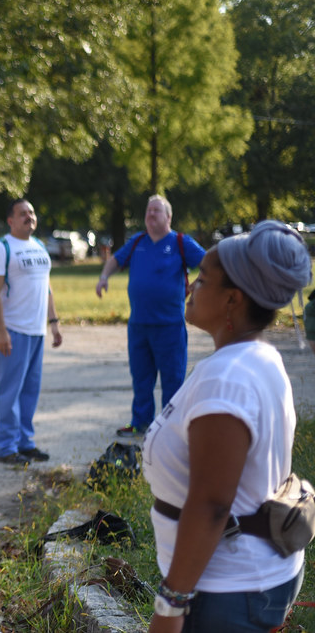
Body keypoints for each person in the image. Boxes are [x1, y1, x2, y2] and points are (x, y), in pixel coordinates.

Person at [143, 220, 311, 632]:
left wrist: (170, 606)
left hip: (226, 592)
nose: (190, 287)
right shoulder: (257, 356)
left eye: (201, 280)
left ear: (232, 300)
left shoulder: (228, 378)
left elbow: (212, 503)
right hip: (247, 580)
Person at [96, 195, 205, 438]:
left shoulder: (179, 242)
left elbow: (209, 263)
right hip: (139, 325)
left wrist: (198, 284)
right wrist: (104, 276)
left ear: (168, 217)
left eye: (156, 211)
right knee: (141, 378)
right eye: (148, 211)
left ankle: (171, 427)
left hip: (169, 326)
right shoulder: (137, 242)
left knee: (172, 379)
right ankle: (140, 422)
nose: (151, 215)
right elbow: (115, 260)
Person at [0, 198, 62, 464]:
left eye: (31, 212)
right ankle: (5, 447)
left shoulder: (39, 246)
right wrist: (1, 331)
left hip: (37, 330)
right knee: (9, 390)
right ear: (11, 220)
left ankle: (25, 442)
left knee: (30, 390)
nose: (29, 216)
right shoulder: (1, 248)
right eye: (22, 213)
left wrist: (54, 322)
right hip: (13, 330)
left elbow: (46, 287)